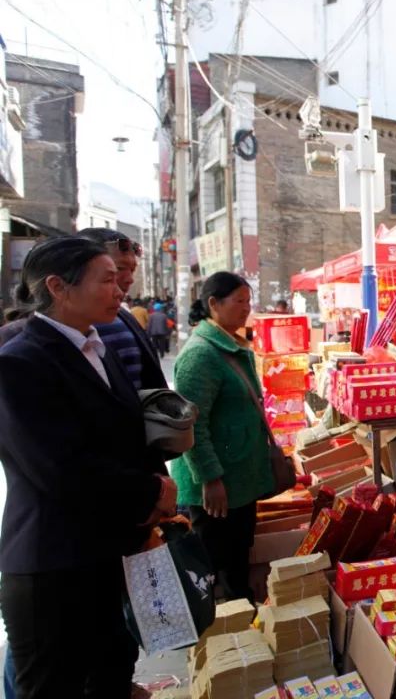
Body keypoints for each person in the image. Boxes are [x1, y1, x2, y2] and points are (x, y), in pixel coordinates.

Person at [0, 236, 177, 697]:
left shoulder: (100, 347)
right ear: (58, 287)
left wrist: (160, 471)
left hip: (105, 548)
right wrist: (149, 491)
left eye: (120, 279)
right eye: (106, 280)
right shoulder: (20, 363)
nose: (120, 290)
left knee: (112, 665)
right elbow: (60, 470)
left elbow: (126, 431)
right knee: (55, 684)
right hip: (53, 561)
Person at [170, 272, 273, 600]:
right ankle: (222, 638)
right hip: (216, 487)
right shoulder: (200, 355)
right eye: (238, 301)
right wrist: (210, 478)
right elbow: (192, 426)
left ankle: (241, 628)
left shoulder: (228, 345)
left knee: (237, 561)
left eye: (249, 301)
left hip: (237, 480)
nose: (246, 309)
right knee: (218, 571)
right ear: (213, 304)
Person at [77, 228, 168, 390]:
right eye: (119, 269)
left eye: (132, 270)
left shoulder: (125, 318)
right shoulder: (58, 330)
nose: (130, 279)